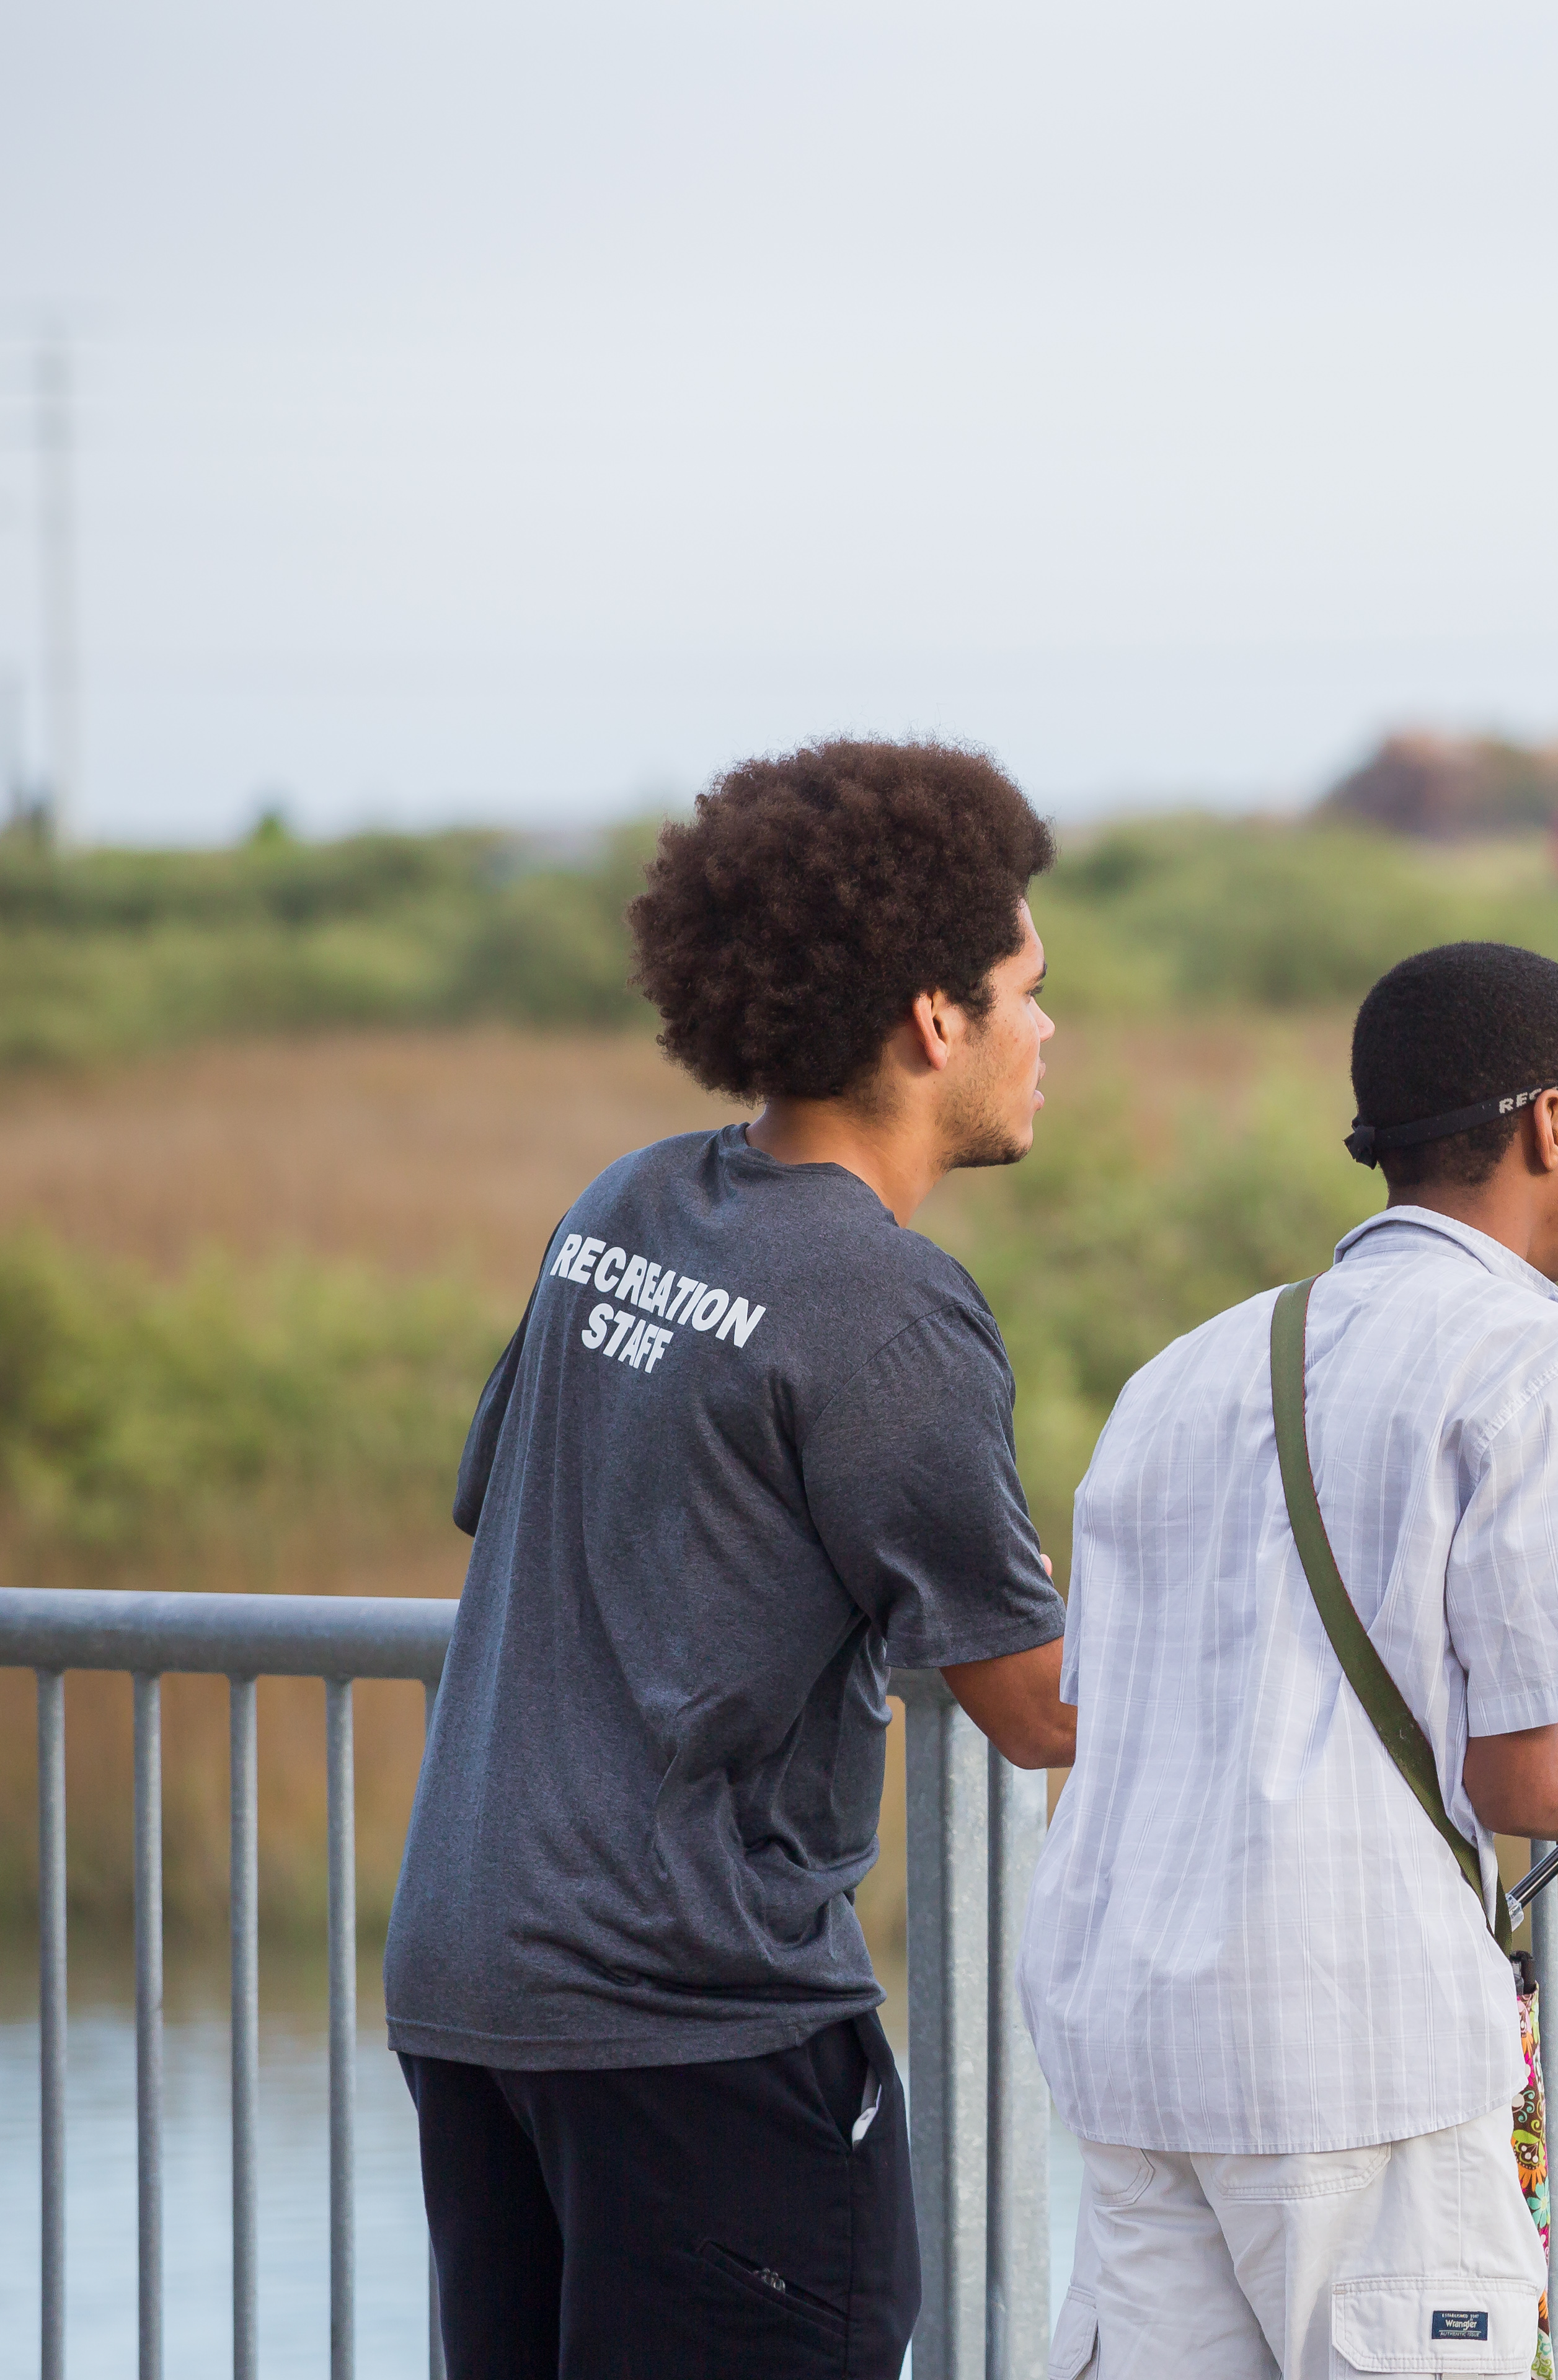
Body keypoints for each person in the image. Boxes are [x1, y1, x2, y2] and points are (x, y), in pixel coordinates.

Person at [384, 738, 1079, 2378]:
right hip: (690, 2014)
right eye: (1029, 988)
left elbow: (561, 1528)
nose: (1052, 1031)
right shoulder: (884, 1304)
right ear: (932, 1021)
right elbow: (1043, 1706)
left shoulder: (621, 1210)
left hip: (475, 1985)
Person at [1021, 938, 1558, 2380]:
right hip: (1354, 2060)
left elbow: (1098, 1708)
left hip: (1131, 2045)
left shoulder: (1182, 1370)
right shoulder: (1538, 1357)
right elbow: (1531, 1774)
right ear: (1555, 1121)